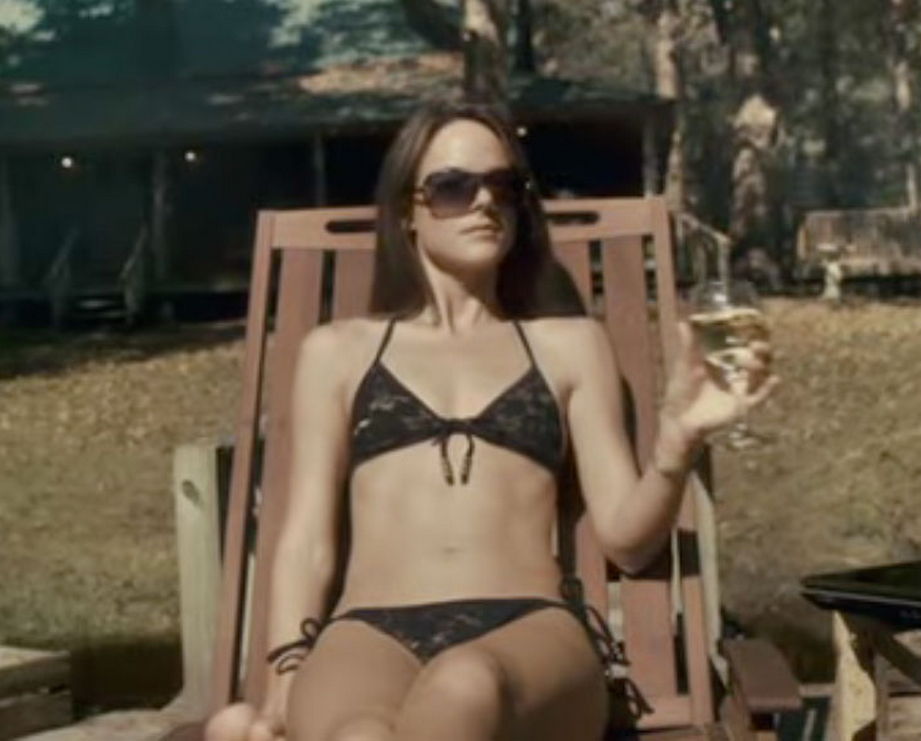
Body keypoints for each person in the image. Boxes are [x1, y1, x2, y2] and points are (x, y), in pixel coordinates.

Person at [204, 101, 777, 741]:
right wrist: (285, 673)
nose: (484, 202)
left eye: (504, 185)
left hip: (528, 633)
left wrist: (677, 442)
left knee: (465, 684)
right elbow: (307, 538)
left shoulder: (569, 346)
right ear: (407, 210)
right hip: (368, 633)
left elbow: (627, 540)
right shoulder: (337, 353)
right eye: (454, 187)